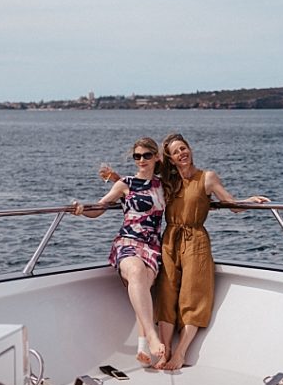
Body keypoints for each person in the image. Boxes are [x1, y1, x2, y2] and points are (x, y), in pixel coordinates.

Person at [104, 133, 269, 371]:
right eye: (175, 151)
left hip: (196, 239)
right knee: (166, 292)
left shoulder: (207, 177)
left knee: (193, 294)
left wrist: (250, 201)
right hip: (169, 239)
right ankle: (166, 349)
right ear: (169, 158)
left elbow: (231, 203)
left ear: (190, 149)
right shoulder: (167, 182)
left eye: (184, 148)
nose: (182, 153)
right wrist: (116, 179)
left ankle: (180, 353)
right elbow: (141, 185)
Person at [71, 137, 167, 367]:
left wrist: (237, 201)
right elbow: (101, 207)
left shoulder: (163, 185)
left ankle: (143, 348)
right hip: (127, 242)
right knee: (135, 271)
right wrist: (83, 210)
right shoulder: (125, 184)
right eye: (137, 156)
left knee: (143, 284)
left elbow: (195, 195)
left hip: (152, 246)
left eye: (146, 155)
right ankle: (152, 337)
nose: (141, 160)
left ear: (156, 157)